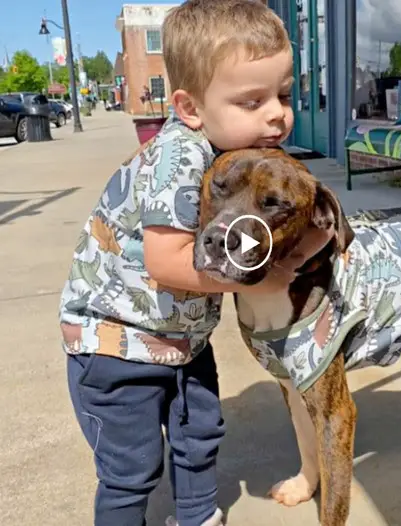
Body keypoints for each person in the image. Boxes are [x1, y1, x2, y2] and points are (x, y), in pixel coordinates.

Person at [59, 1, 333, 526]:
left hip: (182, 338)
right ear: (189, 108)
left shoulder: (235, 155)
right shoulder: (177, 158)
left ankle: (198, 515)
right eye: (252, 101)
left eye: (282, 94)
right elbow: (168, 262)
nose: (276, 113)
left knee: (199, 435)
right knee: (130, 467)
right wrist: (270, 274)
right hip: (117, 344)